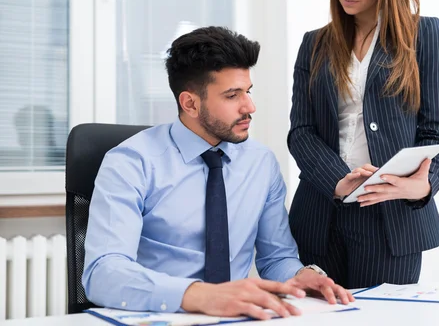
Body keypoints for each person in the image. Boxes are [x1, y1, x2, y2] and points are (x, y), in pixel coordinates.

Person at [83, 26, 353, 320]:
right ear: (190, 103)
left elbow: (276, 257)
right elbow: (103, 273)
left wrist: (299, 276)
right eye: (232, 95)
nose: (250, 106)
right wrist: (200, 295)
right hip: (159, 316)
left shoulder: (261, 163)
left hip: (238, 316)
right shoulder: (131, 163)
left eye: (247, 92)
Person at [288, 0, 439, 289]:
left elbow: (436, 130)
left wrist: (423, 187)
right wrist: (337, 181)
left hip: (391, 220)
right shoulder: (313, 44)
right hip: (320, 215)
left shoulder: (424, 36)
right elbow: (301, 132)